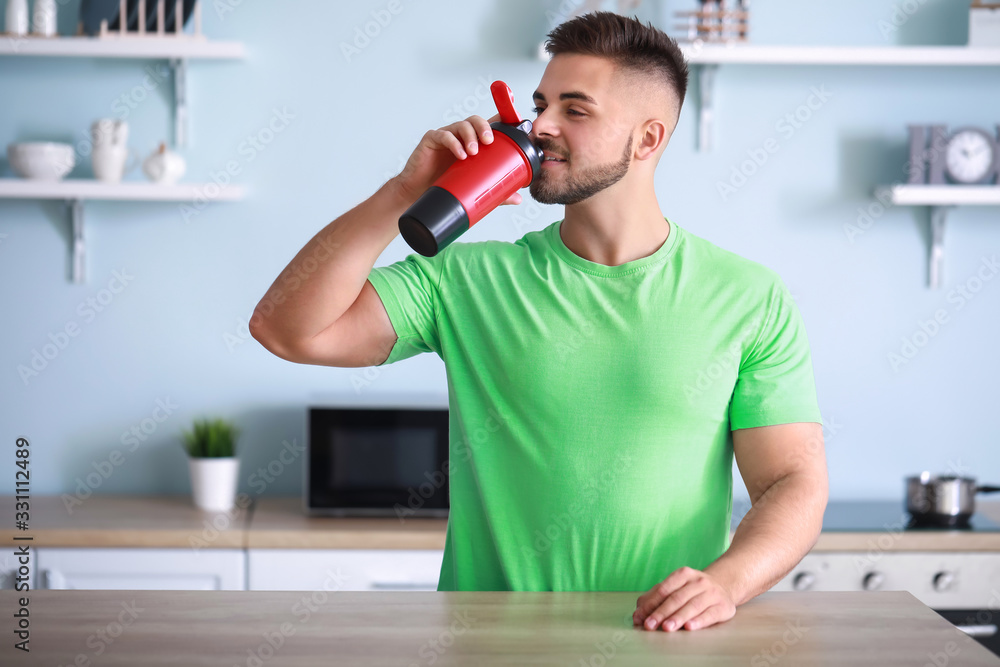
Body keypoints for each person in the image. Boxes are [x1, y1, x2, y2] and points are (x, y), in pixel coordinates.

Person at [250, 11, 828, 634]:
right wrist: (401, 193)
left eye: (575, 110)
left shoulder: (748, 297)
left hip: (661, 644)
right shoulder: (465, 279)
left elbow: (790, 481)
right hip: (486, 647)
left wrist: (725, 584)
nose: (541, 126)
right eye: (541, 104)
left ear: (647, 139)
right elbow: (287, 328)